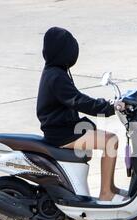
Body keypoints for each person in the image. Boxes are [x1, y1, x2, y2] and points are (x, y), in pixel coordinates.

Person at [37, 27, 125, 202]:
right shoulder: (56, 76)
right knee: (110, 141)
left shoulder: (55, 72)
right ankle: (106, 193)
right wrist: (108, 107)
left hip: (63, 129)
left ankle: (111, 188)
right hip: (62, 134)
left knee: (107, 139)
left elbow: (75, 99)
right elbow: (78, 101)